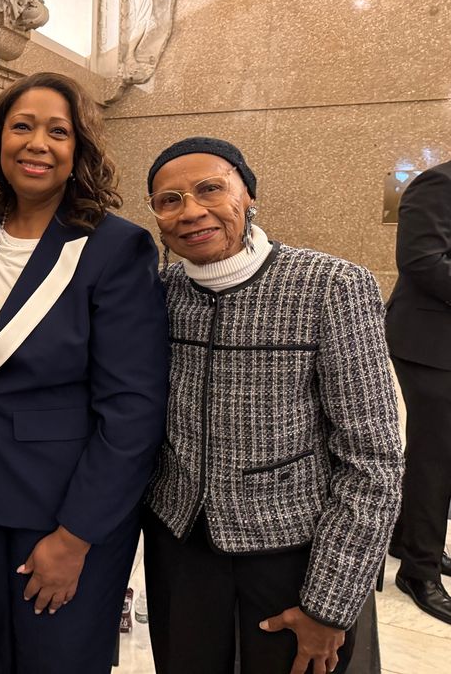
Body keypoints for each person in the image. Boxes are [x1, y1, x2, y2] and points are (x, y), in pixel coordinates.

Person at [142, 136, 404, 674]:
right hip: (181, 544)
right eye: (170, 200)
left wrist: (330, 605)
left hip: (291, 551)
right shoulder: (160, 292)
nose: (191, 211)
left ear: (249, 195)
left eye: (210, 189)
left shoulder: (330, 286)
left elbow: (374, 458)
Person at [0, 72, 169, 673]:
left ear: (78, 149)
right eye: (22, 126)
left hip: (63, 511)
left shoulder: (115, 247)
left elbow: (133, 411)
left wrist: (75, 536)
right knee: (9, 660)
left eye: (58, 132)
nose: (37, 143)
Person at [386, 160, 451, 624]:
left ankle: (406, 539)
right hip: (430, 343)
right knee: (436, 457)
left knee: (438, 453)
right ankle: (418, 571)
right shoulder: (439, 182)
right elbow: (422, 260)